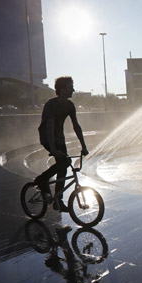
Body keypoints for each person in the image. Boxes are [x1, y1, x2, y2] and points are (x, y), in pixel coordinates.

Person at [34, 76, 89, 212]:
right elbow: (50, 127)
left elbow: (76, 125)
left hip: (59, 139)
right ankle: (42, 179)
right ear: (62, 89)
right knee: (63, 162)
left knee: (63, 167)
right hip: (47, 137)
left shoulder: (70, 105)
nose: (73, 90)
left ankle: (58, 201)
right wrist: (53, 149)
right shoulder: (51, 105)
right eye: (71, 87)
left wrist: (84, 146)